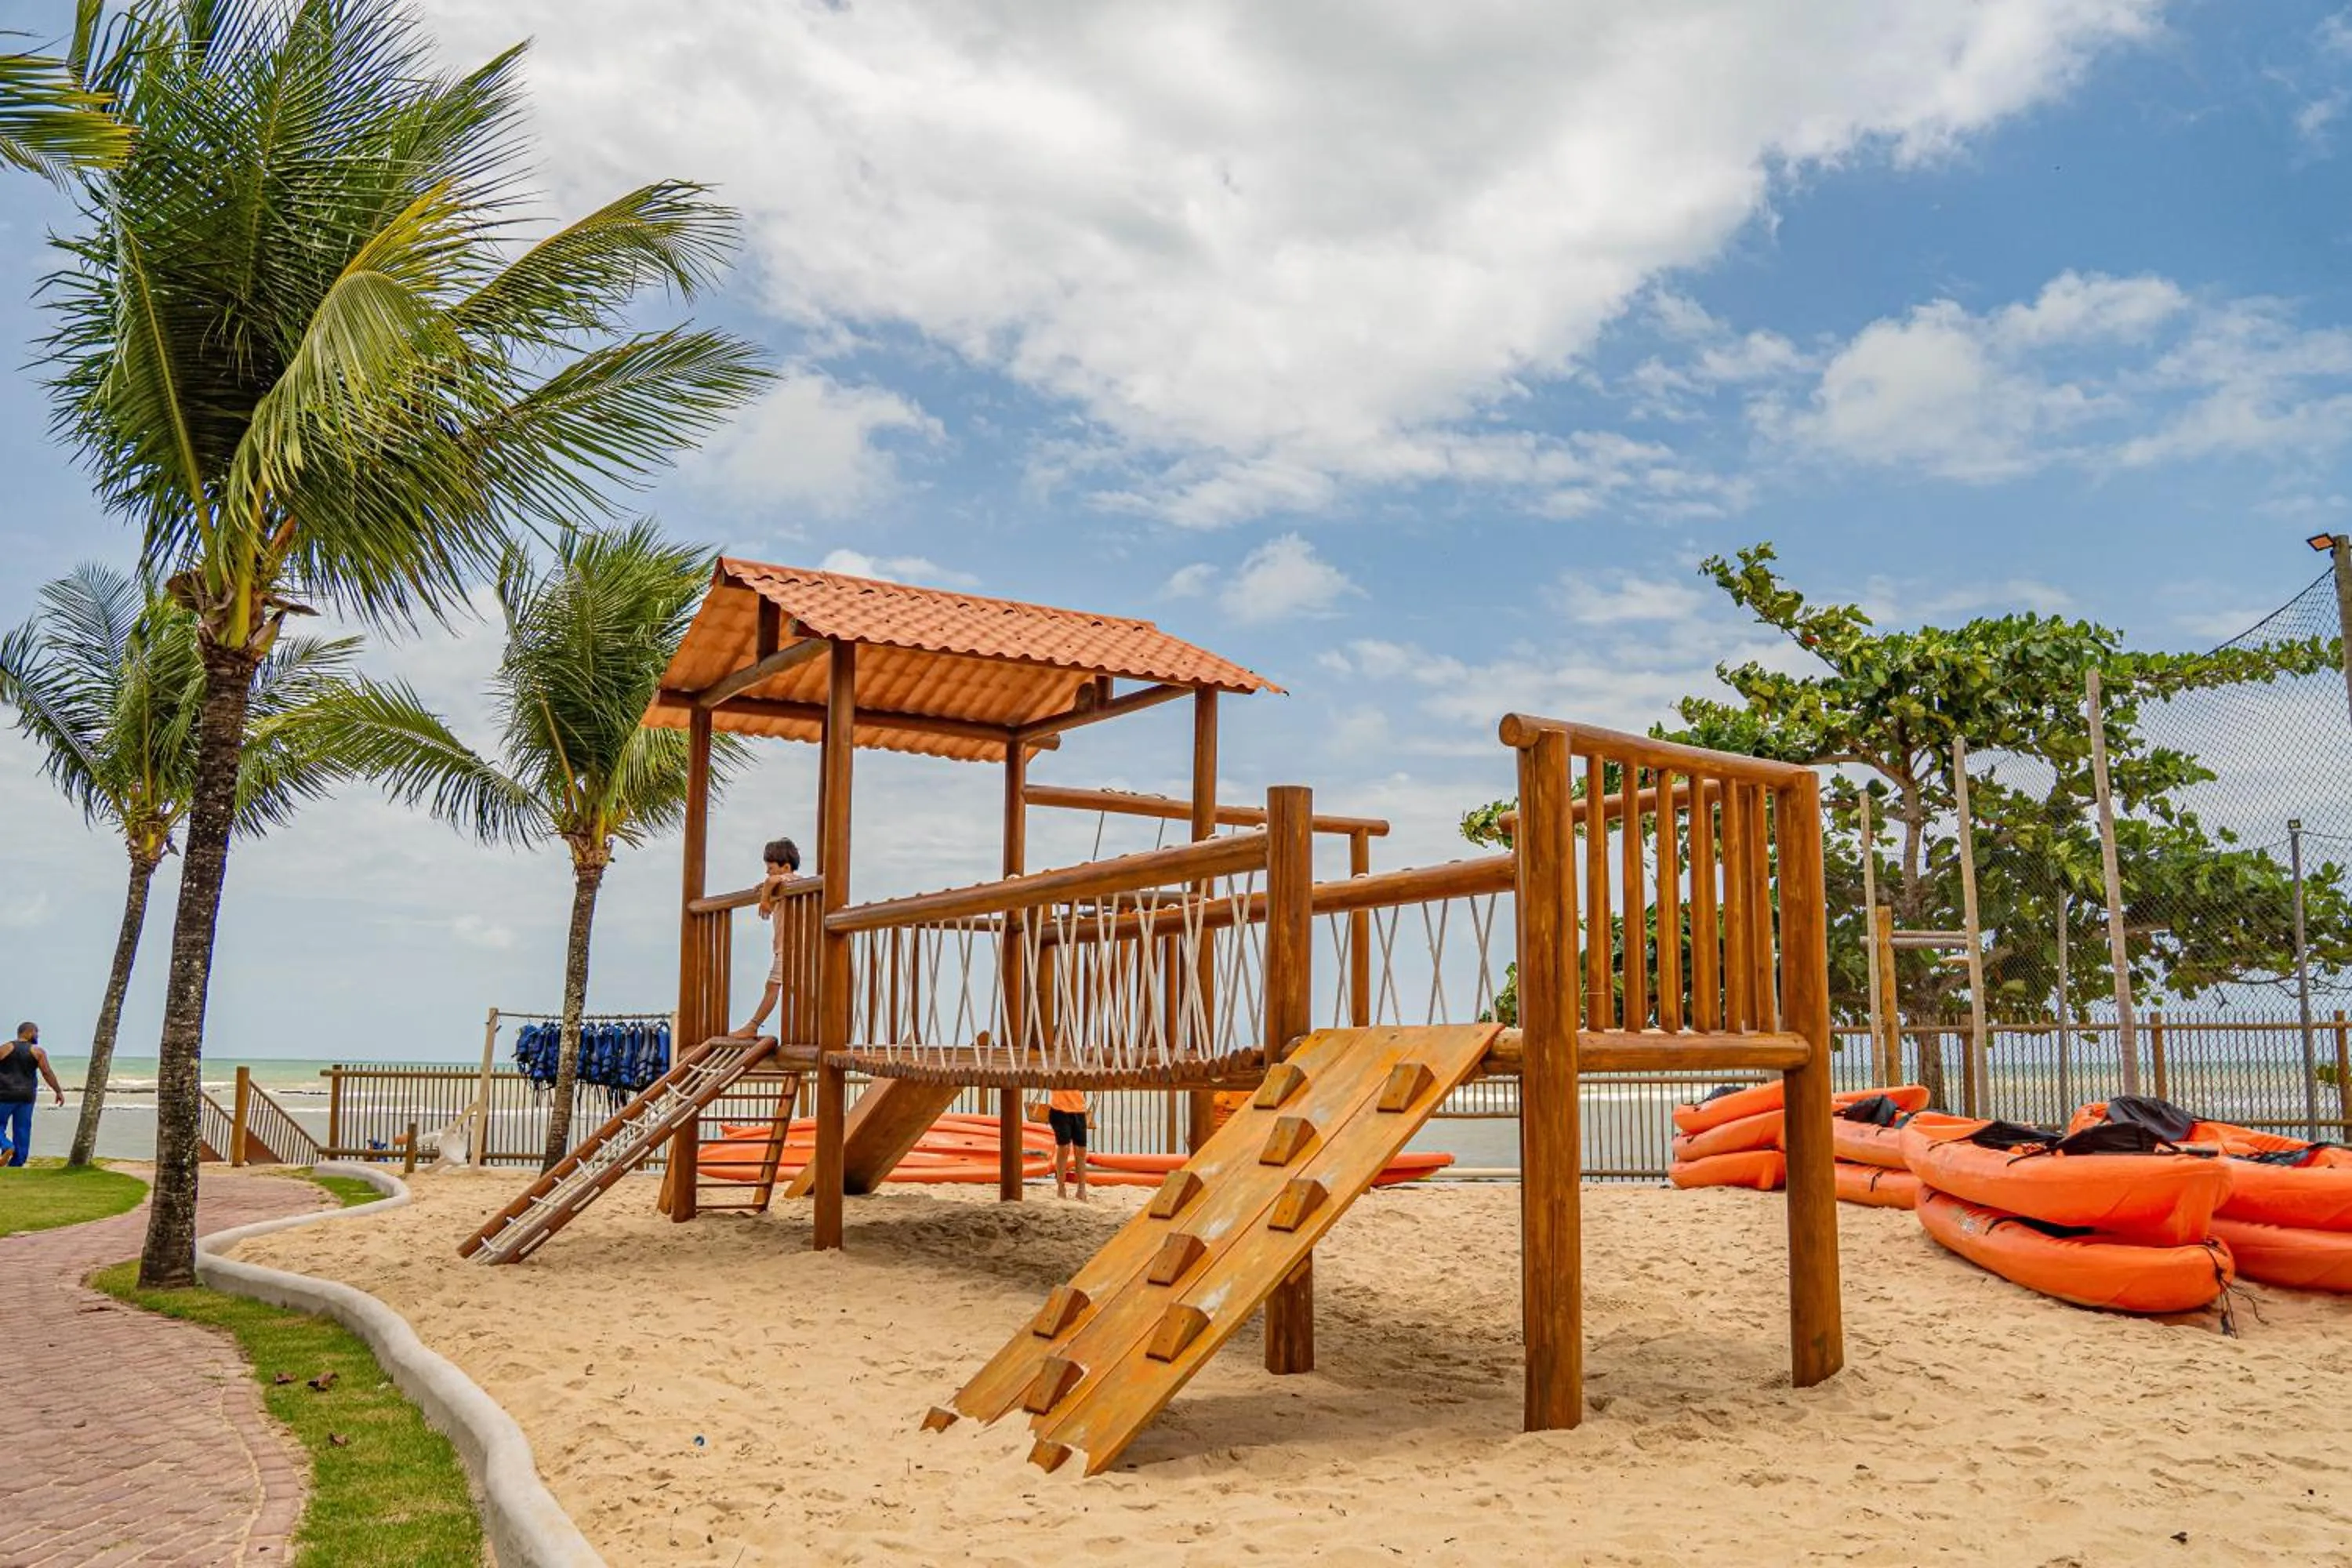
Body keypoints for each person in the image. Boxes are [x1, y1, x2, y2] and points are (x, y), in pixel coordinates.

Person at [735, 837, 804, 1038]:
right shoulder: (788, 884)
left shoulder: (792, 880)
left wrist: (764, 900)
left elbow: (773, 881)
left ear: (786, 867)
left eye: (771, 868)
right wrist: (765, 889)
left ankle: (753, 1026)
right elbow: (771, 882)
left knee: (772, 986)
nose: (767, 873)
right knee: (789, 989)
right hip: (791, 947)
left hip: (790, 948)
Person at [0, 1022, 65, 1167]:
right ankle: (17, 1163)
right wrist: (58, 1091)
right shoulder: (38, 1052)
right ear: (29, 1032)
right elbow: (47, 1073)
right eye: (36, 1032)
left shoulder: (5, 1048)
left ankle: (6, 1145)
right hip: (27, 1097)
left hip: (5, 1095)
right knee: (22, 1129)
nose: (37, 1035)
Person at [1047, 1086, 1090, 1201]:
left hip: (1079, 1110)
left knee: (1081, 1151)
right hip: (1059, 1109)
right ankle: (1061, 1188)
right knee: (1064, 1148)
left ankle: (1081, 1189)